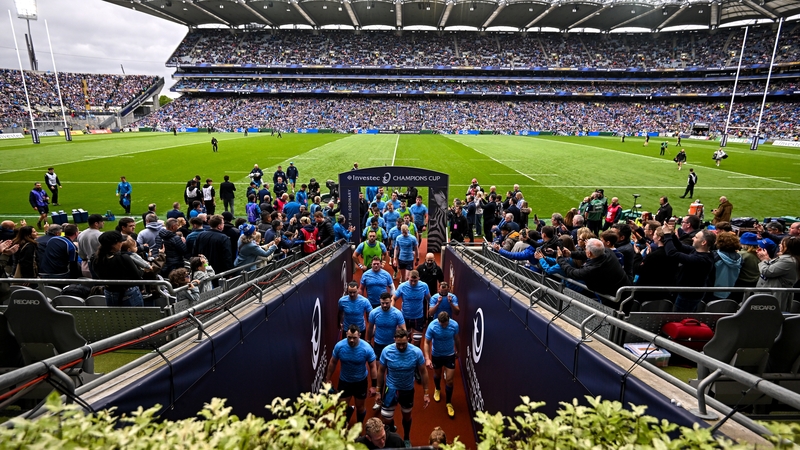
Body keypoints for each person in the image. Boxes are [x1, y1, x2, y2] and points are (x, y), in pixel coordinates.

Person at [376, 328, 430, 448]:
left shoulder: (416, 352)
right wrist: (378, 391)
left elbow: (423, 372)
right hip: (391, 389)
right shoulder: (387, 351)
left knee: (407, 416)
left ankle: (406, 437)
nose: (401, 347)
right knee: (387, 419)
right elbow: (381, 371)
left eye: (403, 344)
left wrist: (426, 393)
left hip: (407, 390)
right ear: (394, 340)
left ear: (408, 340)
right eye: (398, 344)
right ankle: (392, 434)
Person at [324, 325, 377, 428]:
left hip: (360, 382)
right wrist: (327, 379)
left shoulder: (366, 348)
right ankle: (349, 410)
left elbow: (373, 367)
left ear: (359, 336)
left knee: (360, 408)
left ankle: (359, 426)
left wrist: (374, 386)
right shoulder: (340, 346)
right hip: (345, 381)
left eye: (354, 338)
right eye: (349, 337)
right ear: (346, 335)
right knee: (341, 407)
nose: (352, 340)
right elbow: (333, 362)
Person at [556, 238, 629, 306]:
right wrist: (571, 254)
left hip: (614, 300)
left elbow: (571, 272)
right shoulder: (608, 252)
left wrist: (560, 259)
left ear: (589, 253)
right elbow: (591, 254)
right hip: (625, 292)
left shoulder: (591, 269)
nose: (585, 250)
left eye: (586, 249)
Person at [662, 224, 716, 312]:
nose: (692, 238)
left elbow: (672, 253)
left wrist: (667, 235)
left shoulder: (701, 260)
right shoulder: (699, 252)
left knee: (680, 317)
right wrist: (672, 234)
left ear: (703, 242)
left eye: (696, 237)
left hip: (688, 296)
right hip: (687, 293)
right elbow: (680, 247)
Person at [91, 231, 144, 306]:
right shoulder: (123, 258)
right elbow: (137, 276)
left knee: (116, 316)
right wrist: (143, 270)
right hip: (128, 291)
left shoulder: (96, 258)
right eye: (120, 241)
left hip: (109, 291)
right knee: (136, 316)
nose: (121, 243)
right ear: (115, 244)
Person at [424, 311, 460, 418]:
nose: (444, 326)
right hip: (437, 355)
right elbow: (426, 342)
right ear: (438, 321)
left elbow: (457, 338)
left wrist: (459, 350)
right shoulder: (432, 326)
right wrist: (427, 358)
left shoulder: (454, 325)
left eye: (446, 324)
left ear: (449, 320)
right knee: (438, 375)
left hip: (450, 355)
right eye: (442, 324)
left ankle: (448, 402)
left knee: (449, 380)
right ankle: (438, 388)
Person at [756, 236, 800, 311]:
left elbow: (767, 271)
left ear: (788, 248)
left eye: (782, 244)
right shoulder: (787, 258)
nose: (779, 245)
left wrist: (764, 260)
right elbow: (775, 268)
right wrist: (767, 259)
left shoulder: (788, 261)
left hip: (774, 296)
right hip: (769, 294)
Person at [392, 270, 431, 351]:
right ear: (407, 278)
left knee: (417, 342)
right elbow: (394, 298)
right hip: (405, 318)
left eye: (415, 281)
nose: (413, 283)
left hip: (418, 317)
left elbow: (429, 299)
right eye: (411, 281)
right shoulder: (402, 286)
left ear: (419, 279)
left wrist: (431, 309)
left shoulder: (424, 286)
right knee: (405, 340)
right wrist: (392, 310)